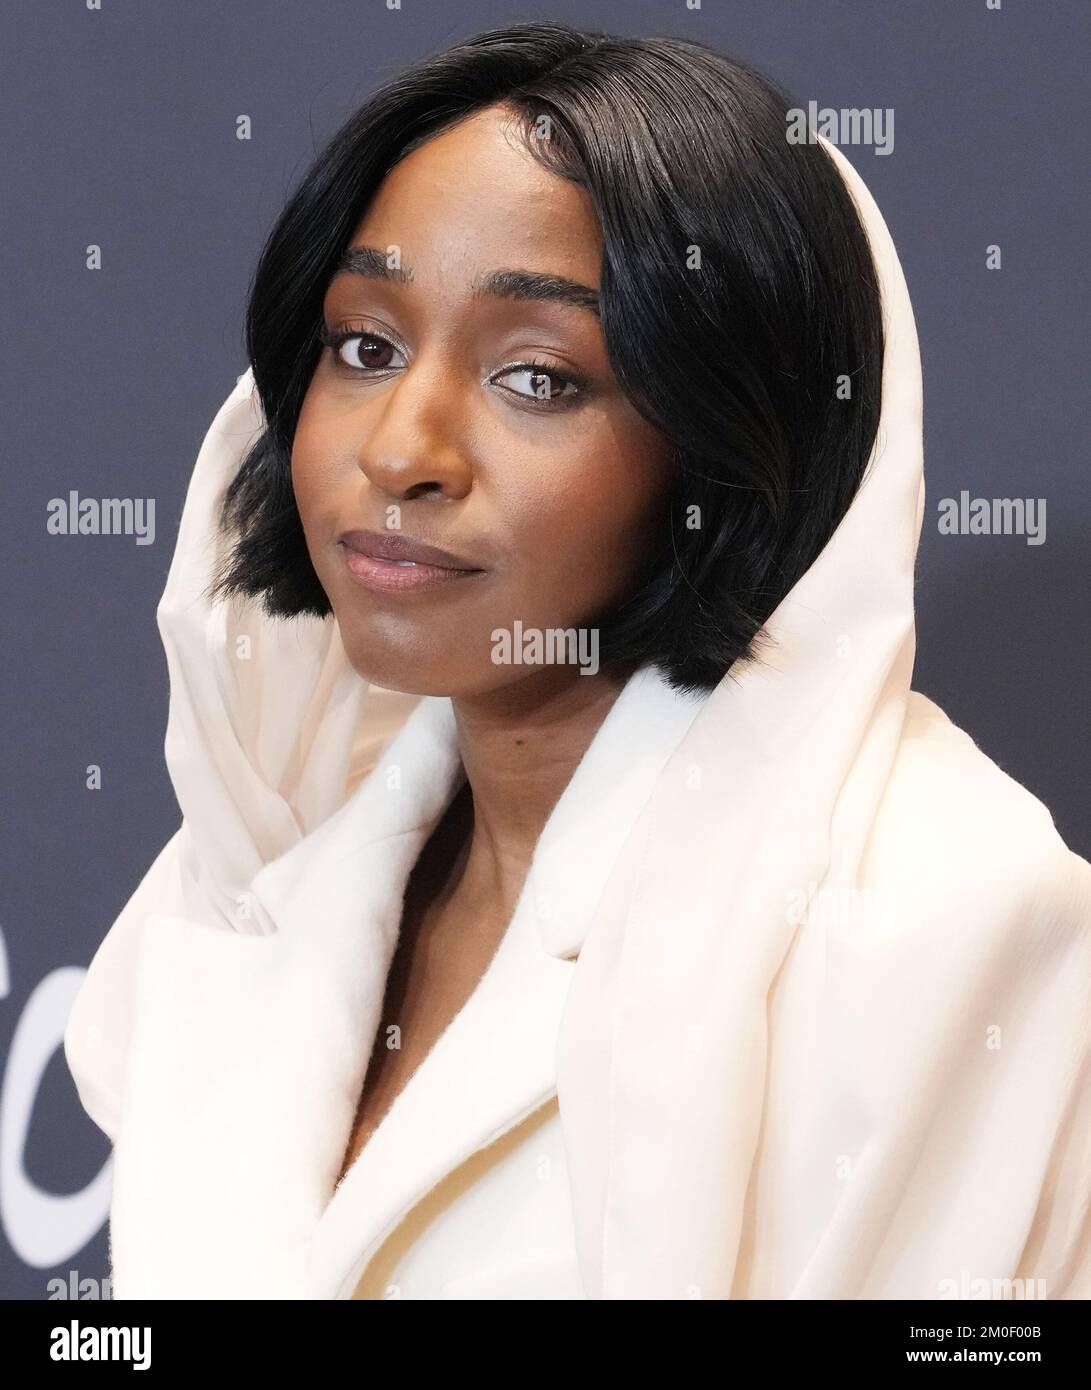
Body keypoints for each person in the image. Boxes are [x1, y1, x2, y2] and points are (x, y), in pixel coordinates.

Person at [64, 21, 1091, 1300]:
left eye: (537, 377)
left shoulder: (948, 914)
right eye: (364, 346)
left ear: (730, 439)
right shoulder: (255, 877)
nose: (401, 450)